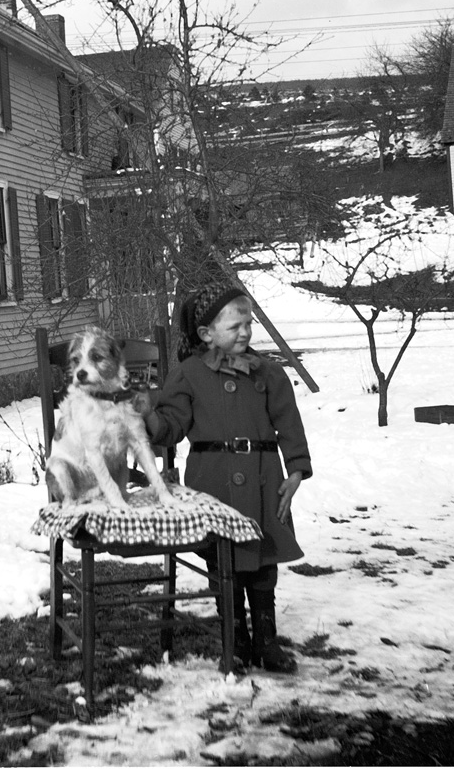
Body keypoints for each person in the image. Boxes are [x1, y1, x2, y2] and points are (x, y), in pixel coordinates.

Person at [143, 280, 312, 672]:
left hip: (264, 477)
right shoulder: (188, 375)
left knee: (264, 556)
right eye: (235, 327)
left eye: (249, 324)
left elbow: (289, 422)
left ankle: (266, 642)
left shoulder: (268, 373)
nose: (246, 333)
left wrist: (297, 469)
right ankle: (234, 643)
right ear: (206, 333)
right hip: (213, 480)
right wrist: (149, 416)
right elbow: (171, 426)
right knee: (225, 562)